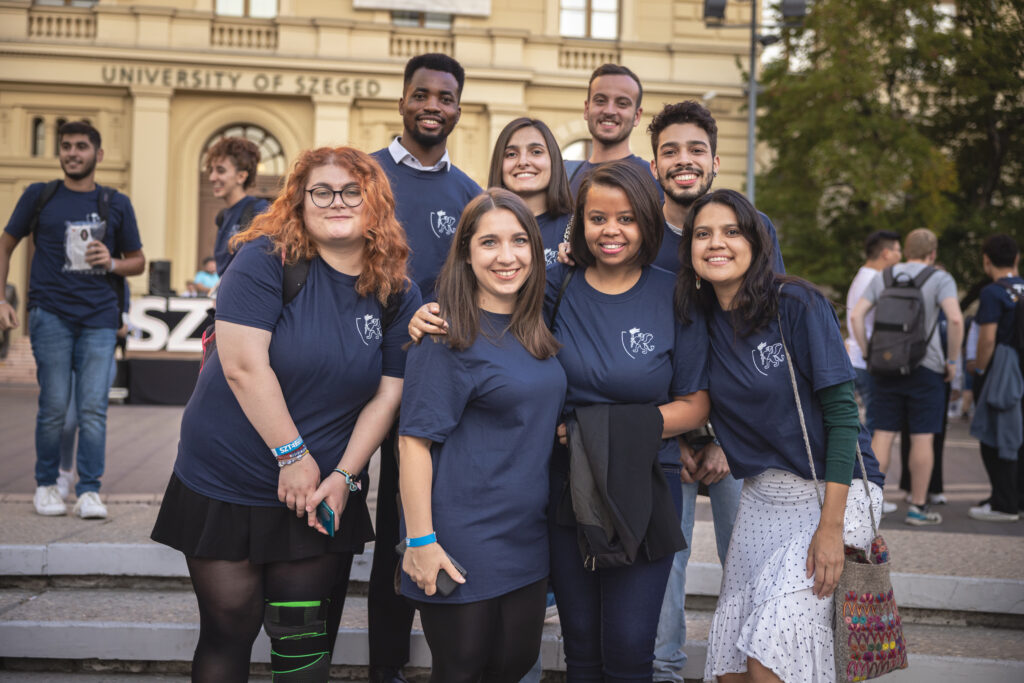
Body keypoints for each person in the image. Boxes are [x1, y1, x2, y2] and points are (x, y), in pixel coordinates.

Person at [150, 146, 420, 682]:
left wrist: (345, 474)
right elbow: (243, 367)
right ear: (299, 201)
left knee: (301, 641)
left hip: (315, 494)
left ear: (375, 204)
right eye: (322, 191)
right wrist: (292, 456)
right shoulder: (263, 258)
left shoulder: (395, 291)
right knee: (228, 630)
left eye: (352, 191)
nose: (337, 201)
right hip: (226, 478)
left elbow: (387, 395)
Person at [675, 189, 885, 683]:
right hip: (761, 499)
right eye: (702, 234)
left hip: (833, 494)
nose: (716, 243)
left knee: (769, 654)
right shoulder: (698, 319)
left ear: (755, 241)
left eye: (731, 231)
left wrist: (831, 529)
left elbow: (843, 418)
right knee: (728, 661)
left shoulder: (796, 302)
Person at [547, 160, 708, 680]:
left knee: (630, 650)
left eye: (626, 219)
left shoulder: (676, 292)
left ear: (646, 221)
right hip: (565, 485)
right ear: (581, 222)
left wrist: (596, 430)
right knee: (583, 651)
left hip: (645, 485)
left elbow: (696, 404)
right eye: (597, 218)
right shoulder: (555, 287)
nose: (611, 231)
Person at [398, 188, 566, 682]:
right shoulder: (444, 335)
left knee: (512, 667)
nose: (507, 256)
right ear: (467, 253)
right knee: (462, 671)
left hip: (528, 537)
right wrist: (421, 540)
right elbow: (413, 443)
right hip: (461, 538)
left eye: (519, 242)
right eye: (489, 243)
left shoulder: (534, 329)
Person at [645, 100, 786, 683]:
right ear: (654, 164)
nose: (684, 160)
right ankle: (662, 671)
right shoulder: (637, 235)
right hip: (665, 429)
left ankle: (747, 668)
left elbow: (764, 337)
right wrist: (672, 434)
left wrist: (726, 438)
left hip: (740, 433)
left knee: (749, 561)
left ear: (715, 160)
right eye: (671, 150)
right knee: (664, 565)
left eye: (695, 149)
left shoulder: (751, 229)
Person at [368, 52, 482, 683]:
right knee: (381, 527)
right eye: (422, 94)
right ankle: (383, 666)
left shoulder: (469, 194)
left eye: (445, 97)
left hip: (435, 381)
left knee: (415, 517)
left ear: (457, 108)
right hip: (361, 374)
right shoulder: (367, 177)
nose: (433, 106)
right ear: (403, 101)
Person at [1, 119, 145, 519]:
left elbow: (138, 261)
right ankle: (47, 484)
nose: (72, 153)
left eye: (81, 146)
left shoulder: (116, 203)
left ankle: (89, 491)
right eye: (66, 146)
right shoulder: (39, 196)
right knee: (54, 406)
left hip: (99, 318)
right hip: (50, 315)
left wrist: (112, 261)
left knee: (93, 408)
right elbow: (6, 243)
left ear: (97, 155)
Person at [850, 228, 963, 526]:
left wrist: (867, 351)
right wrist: (952, 360)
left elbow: (856, 316)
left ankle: (871, 505)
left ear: (907, 249)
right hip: (927, 368)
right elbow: (954, 318)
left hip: (886, 366)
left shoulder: (883, 277)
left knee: (883, 434)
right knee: (922, 436)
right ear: (933, 253)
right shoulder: (940, 278)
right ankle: (917, 508)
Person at [969, 234, 1024, 522]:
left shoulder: (993, 292)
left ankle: (1003, 503)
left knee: (996, 434)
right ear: (1016, 259)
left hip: (1002, 371)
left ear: (986, 260)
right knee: (1019, 435)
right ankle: (1017, 498)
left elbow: (987, 339)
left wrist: (979, 370)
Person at [567, 64, 661, 199]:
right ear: (587, 109)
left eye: (622, 103)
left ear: (637, 116)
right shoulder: (564, 177)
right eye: (600, 101)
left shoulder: (653, 180)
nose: (609, 111)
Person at [489, 117, 574, 265]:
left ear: (553, 161)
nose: (523, 162)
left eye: (535, 152)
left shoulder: (577, 230)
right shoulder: (481, 226)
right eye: (511, 154)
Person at [844, 230, 902, 433]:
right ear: (886, 253)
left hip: (854, 358)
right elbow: (855, 317)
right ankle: (868, 466)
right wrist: (869, 353)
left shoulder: (862, 275)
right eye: (898, 250)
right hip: (867, 360)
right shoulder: (877, 280)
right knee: (875, 428)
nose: (900, 256)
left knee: (861, 424)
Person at [205, 136, 270, 276]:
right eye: (211, 170)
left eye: (220, 170)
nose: (212, 177)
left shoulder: (260, 210)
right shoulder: (222, 217)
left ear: (241, 176)